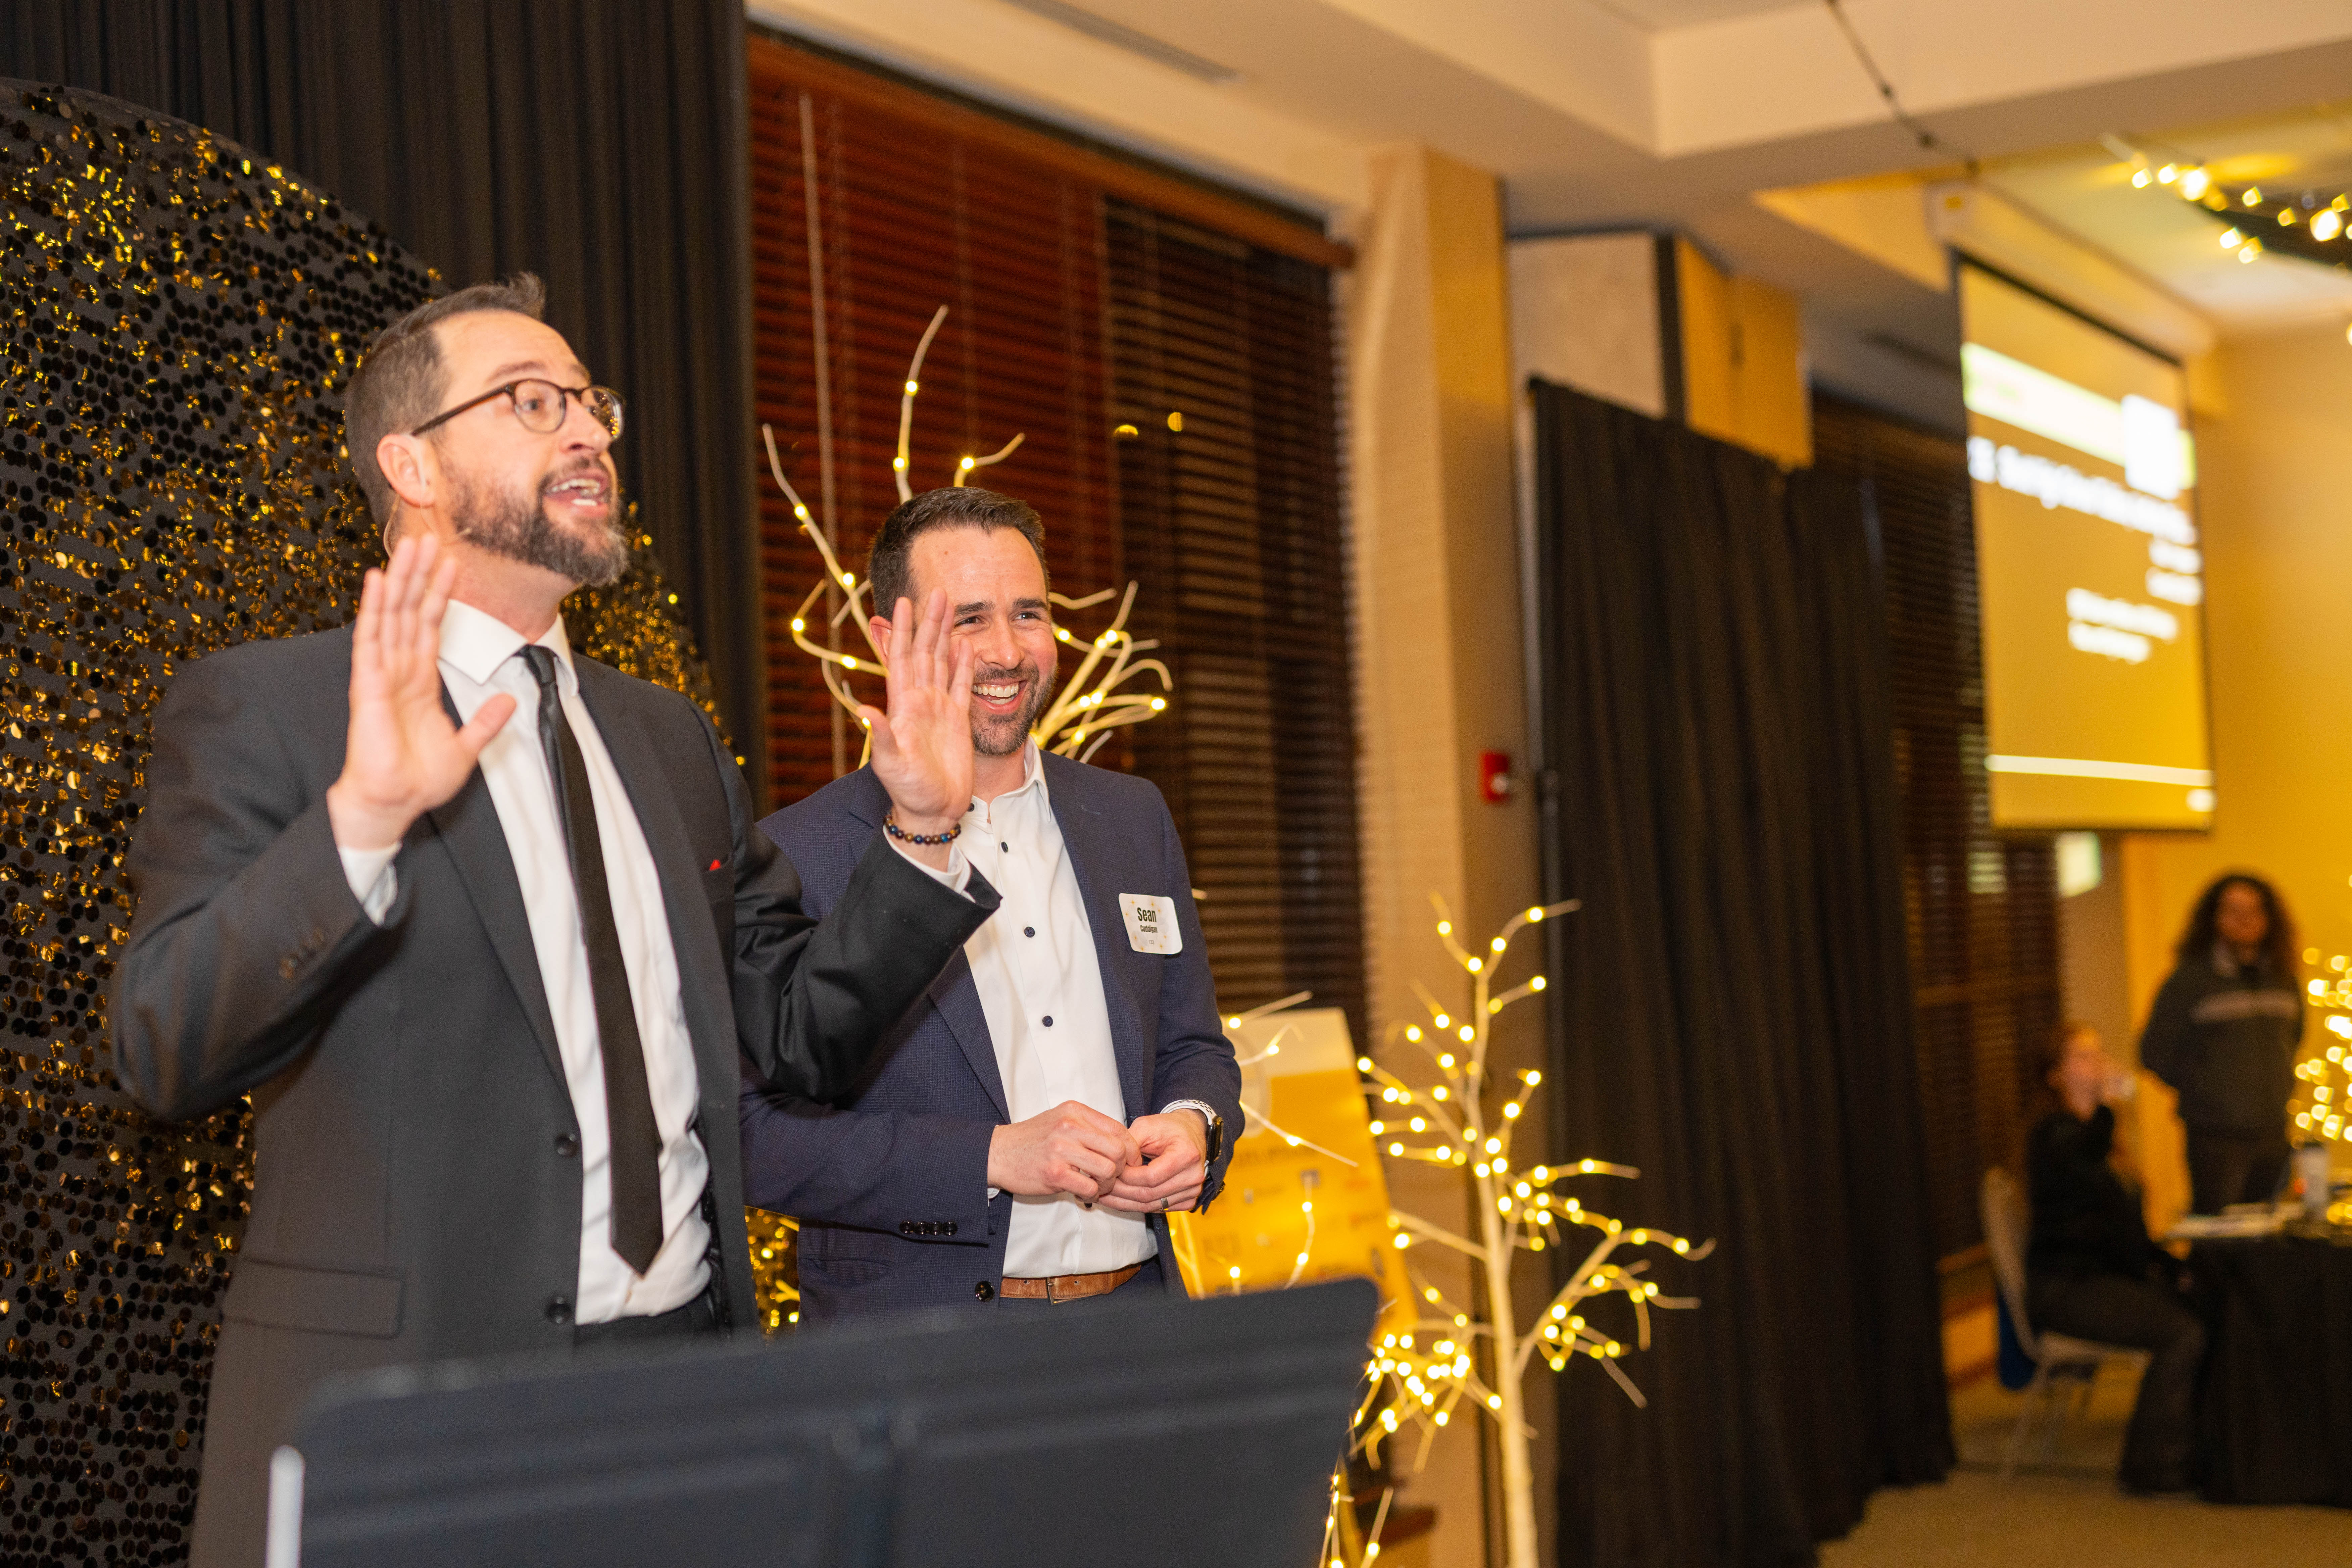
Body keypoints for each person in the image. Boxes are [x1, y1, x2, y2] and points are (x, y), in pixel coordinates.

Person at [110, 276, 995, 1568]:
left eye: (591, 404)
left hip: (687, 1393)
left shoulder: (666, 736)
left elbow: (799, 1038)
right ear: (411, 463)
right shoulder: (275, 708)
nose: (587, 431)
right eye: (532, 402)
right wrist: (361, 819)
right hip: (425, 1410)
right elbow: (161, 1046)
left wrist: (918, 831)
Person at [739, 486, 1241, 1319]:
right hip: (925, 1349)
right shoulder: (797, 852)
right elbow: (758, 1139)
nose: (1008, 651)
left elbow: (1194, 1044)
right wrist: (992, 1157)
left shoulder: (1132, 816)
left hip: (1136, 1321)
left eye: (1028, 614)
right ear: (889, 641)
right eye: (968, 620)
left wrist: (1196, 1125)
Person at [2026, 1021, 2205, 1495]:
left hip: (2105, 1279)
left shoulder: (2101, 1140)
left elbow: (2125, 1231)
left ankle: (2197, 1448)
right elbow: (2081, 1171)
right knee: (2182, 1333)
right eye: (2083, 1056)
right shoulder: (2053, 1135)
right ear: (2055, 1075)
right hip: (2068, 1288)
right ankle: (2151, 1465)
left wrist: (2170, 1266)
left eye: (2099, 1053)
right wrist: (2108, 1109)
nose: (2099, 1064)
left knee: (2203, 1305)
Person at [2140, 872, 2302, 1214]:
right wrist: (2208, 1092)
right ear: (2214, 917)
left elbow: (2295, 1038)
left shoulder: (2284, 978)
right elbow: (2154, 1052)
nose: (2245, 920)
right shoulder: (2189, 981)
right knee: (2219, 1232)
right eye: (2234, 911)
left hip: (2273, 1130)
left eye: (2254, 911)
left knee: (2270, 1229)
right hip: (2215, 1139)